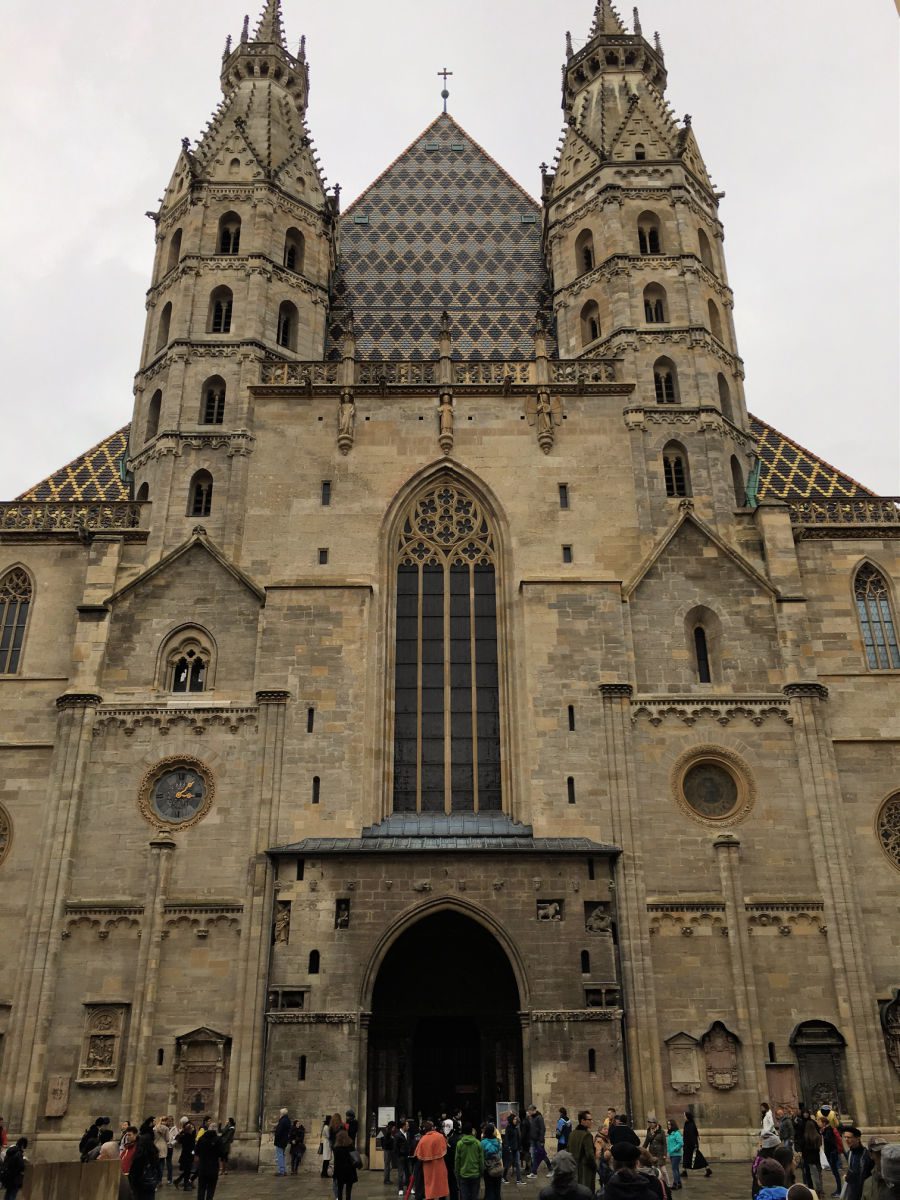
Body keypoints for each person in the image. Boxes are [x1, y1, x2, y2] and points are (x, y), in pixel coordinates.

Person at [416, 1119, 450, 1200]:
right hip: (440, 1165)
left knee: (430, 1187)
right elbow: (446, 1148)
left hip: (428, 1167)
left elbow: (418, 1155)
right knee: (441, 1186)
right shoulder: (440, 1136)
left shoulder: (423, 1139)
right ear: (432, 1128)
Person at [567, 1111, 597, 1192]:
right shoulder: (587, 1135)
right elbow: (590, 1155)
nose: (591, 1122)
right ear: (582, 1121)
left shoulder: (572, 1134)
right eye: (589, 1120)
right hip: (585, 1170)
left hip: (573, 1169)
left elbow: (568, 1150)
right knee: (586, 1192)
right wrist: (595, 1166)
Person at [455, 1120, 485, 1200]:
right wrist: (481, 1171)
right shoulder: (478, 1143)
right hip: (475, 1174)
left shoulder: (459, 1144)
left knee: (464, 1196)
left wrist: (457, 1173)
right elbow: (481, 1160)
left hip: (463, 1174)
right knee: (474, 1196)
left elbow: (457, 1160)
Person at [193, 1124, 224, 1200]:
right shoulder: (218, 1139)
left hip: (203, 1167)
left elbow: (196, 1153)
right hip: (213, 1167)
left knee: (201, 1188)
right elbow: (221, 1154)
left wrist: (198, 1165)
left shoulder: (201, 1139)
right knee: (211, 1188)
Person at [797, 1110, 824, 1195]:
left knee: (810, 1174)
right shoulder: (817, 1136)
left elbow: (802, 1146)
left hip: (808, 1157)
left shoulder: (805, 1137)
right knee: (818, 1174)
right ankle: (820, 1189)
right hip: (817, 1157)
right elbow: (819, 1146)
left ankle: (812, 1189)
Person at [129, 1132, 161, 1200]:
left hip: (140, 1186)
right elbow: (158, 1170)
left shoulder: (139, 1157)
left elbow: (134, 1174)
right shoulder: (154, 1155)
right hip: (151, 1184)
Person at [682, 1112, 712, 1179]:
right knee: (685, 1157)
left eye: (684, 1116)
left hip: (692, 1145)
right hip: (687, 1145)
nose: (684, 1117)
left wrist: (694, 1145)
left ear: (687, 1116)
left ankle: (708, 1169)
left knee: (698, 1157)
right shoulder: (686, 1124)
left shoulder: (691, 1125)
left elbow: (692, 1136)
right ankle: (684, 1171)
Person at [820, 1117, 845, 1196]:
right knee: (835, 1173)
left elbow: (831, 1142)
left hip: (832, 1154)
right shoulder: (827, 1130)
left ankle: (839, 1190)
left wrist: (824, 1133)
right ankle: (839, 1190)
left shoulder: (828, 1130)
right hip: (832, 1153)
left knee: (836, 1173)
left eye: (819, 1121)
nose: (818, 1123)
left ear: (824, 1123)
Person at [526, 1107, 551, 1178]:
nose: (529, 1112)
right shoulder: (532, 1118)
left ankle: (551, 1169)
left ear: (534, 1110)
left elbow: (542, 1129)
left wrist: (541, 1140)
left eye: (530, 1111)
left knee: (542, 1155)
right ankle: (534, 1173)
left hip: (538, 1141)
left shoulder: (539, 1117)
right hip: (533, 1140)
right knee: (535, 1156)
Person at [844, 1128, 869, 1200]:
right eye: (845, 1137)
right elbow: (851, 1169)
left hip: (864, 1191)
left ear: (857, 1139)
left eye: (849, 1137)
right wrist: (847, 1176)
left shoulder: (866, 1155)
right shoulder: (849, 1153)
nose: (846, 1139)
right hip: (852, 1191)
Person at [333, 1128, 359, 1200]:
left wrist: (335, 1174)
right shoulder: (350, 1147)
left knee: (339, 1191)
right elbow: (355, 1158)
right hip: (349, 1171)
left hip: (340, 1172)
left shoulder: (336, 1149)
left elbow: (336, 1163)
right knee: (348, 1191)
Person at [644, 1120, 670, 1186]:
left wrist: (665, 1154)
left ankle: (668, 1184)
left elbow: (664, 1144)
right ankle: (656, 1184)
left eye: (652, 1122)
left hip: (660, 1153)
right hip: (652, 1153)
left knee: (663, 1170)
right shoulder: (649, 1131)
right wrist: (642, 1150)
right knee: (653, 1170)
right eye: (650, 1123)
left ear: (656, 1123)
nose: (651, 1124)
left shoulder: (661, 1132)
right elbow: (646, 1143)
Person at [482, 1122, 504, 1200]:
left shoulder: (483, 1142)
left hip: (488, 1168)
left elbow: (482, 1156)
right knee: (497, 1189)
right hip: (498, 1167)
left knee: (489, 1188)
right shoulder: (497, 1141)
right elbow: (500, 1154)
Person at [503, 1113, 524, 1184]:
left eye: (516, 1119)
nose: (516, 1120)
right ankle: (503, 1177)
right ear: (511, 1120)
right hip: (510, 1149)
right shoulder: (508, 1128)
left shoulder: (516, 1127)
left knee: (517, 1164)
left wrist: (520, 1146)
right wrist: (508, 1147)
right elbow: (506, 1139)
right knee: (508, 1164)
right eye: (514, 1119)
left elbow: (518, 1138)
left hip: (516, 1148)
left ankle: (519, 1179)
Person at [273, 1108, 292, 1178]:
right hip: (284, 1140)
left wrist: (276, 1133)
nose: (279, 1115)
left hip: (280, 1141)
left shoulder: (282, 1121)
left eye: (280, 1113)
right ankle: (283, 1170)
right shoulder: (287, 1120)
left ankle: (281, 1171)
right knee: (282, 1155)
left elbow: (279, 1131)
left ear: (282, 1114)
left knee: (280, 1156)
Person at [666, 1119, 683, 1191]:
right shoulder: (670, 1133)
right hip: (672, 1154)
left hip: (676, 1154)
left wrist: (673, 1149)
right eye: (668, 1124)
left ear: (673, 1125)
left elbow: (681, 1143)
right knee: (676, 1169)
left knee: (674, 1169)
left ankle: (675, 1183)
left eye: (670, 1124)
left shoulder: (677, 1133)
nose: (668, 1126)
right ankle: (679, 1183)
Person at [395, 1120, 411, 1196]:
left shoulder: (408, 1133)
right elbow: (395, 1147)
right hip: (401, 1157)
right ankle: (400, 1189)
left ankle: (409, 1188)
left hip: (407, 1156)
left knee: (408, 1173)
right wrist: (399, 1155)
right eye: (407, 1125)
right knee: (401, 1174)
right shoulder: (398, 1135)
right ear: (403, 1126)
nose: (408, 1127)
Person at [382, 1121, 396, 1185]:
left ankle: (387, 1179)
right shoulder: (388, 1132)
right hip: (387, 1150)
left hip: (387, 1150)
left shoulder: (388, 1131)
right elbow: (386, 1142)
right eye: (394, 1126)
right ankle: (386, 1180)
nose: (395, 1128)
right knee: (387, 1166)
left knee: (387, 1165)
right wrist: (392, 1139)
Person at [321, 1114, 334, 1179]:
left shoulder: (327, 1126)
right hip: (327, 1143)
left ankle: (324, 1172)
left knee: (327, 1159)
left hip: (327, 1143)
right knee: (326, 1159)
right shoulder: (326, 1127)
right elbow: (329, 1136)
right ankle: (324, 1173)